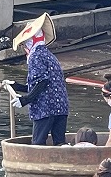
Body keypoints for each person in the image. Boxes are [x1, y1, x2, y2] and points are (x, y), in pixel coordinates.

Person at [8, 12, 69, 146]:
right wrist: (17, 86)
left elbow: (42, 82)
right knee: (59, 144)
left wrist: (25, 100)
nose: (24, 48)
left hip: (45, 109)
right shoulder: (50, 55)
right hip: (61, 107)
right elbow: (43, 83)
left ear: (30, 43)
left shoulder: (35, 56)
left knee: (37, 145)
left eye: (24, 45)